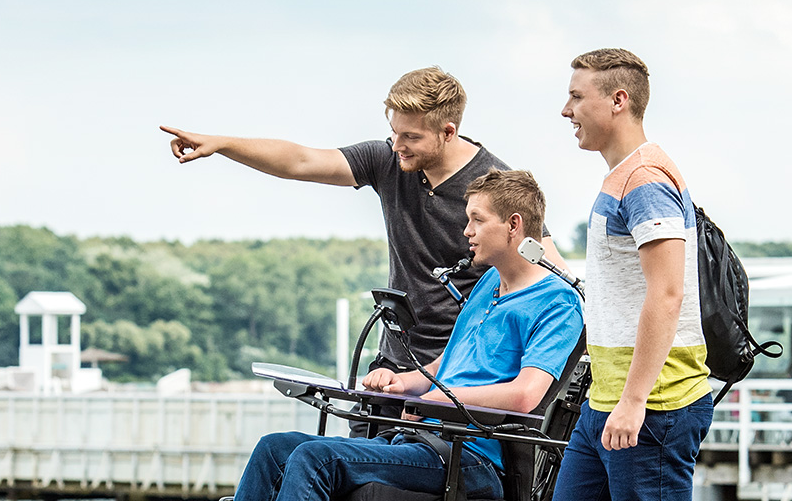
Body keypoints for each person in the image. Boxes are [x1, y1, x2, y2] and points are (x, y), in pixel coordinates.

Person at [131, 170, 583, 501]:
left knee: (313, 456)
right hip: (422, 440)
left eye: (476, 220)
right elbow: (447, 368)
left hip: (469, 458)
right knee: (274, 448)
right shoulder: (485, 289)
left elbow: (525, 395)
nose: (466, 232)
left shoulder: (556, 303)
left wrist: (439, 400)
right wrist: (403, 380)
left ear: (515, 225)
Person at [532, 48, 713, 501]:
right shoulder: (617, 183)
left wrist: (635, 399)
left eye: (575, 96)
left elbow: (667, 295)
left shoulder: (646, 181)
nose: (566, 109)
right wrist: (558, 265)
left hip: (655, 405)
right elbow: (621, 291)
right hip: (605, 402)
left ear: (617, 100)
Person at [160, 68, 565, 385]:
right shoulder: (388, 160)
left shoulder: (495, 187)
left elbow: (550, 273)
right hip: (393, 355)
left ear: (448, 131)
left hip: (456, 367)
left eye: (409, 136)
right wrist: (222, 144)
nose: (396, 145)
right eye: (393, 132)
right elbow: (301, 161)